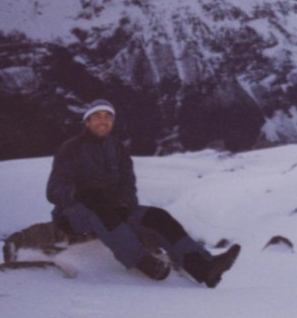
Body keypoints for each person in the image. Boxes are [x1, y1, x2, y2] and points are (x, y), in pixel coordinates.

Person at [46, 99, 240, 286]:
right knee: (98, 204)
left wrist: (126, 205)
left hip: (112, 210)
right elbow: (53, 190)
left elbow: (128, 184)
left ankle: (205, 267)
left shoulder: (117, 149)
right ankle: (142, 261)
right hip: (73, 214)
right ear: (87, 121)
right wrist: (79, 194)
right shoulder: (71, 149)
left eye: (107, 116)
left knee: (157, 216)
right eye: (97, 116)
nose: (103, 120)